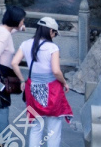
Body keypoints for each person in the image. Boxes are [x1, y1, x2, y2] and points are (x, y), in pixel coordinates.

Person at [11, 17, 73, 147]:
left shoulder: (26, 44)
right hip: (52, 90)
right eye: (55, 33)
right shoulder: (52, 47)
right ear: (51, 31)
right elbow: (56, 71)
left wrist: (22, 80)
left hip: (32, 87)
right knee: (53, 128)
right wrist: (64, 83)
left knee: (35, 126)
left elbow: (14, 63)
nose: (54, 36)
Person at [0, 6, 27, 110]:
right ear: (15, 21)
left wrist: (20, 28)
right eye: (22, 21)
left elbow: (9, 32)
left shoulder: (0, 28)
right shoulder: (4, 36)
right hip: (1, 74)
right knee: (1, 104)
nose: (23, 23)